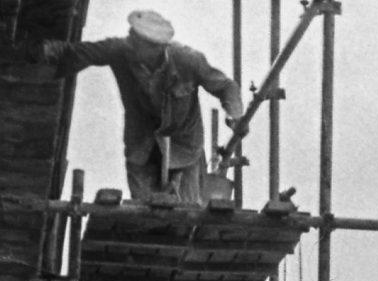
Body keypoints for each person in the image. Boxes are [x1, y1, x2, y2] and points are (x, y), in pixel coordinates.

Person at [37, 11, 245, 205]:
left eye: (136, 40)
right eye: (131, 35)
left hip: (184, 149)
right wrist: (49, 51)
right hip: (142, 147)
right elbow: (83, 52)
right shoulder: (121, 50)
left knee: (186, 211)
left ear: (157, 47)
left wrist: (235, 114)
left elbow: (226, 86)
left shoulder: (188, 60)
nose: (129, 41)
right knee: (146, 212)